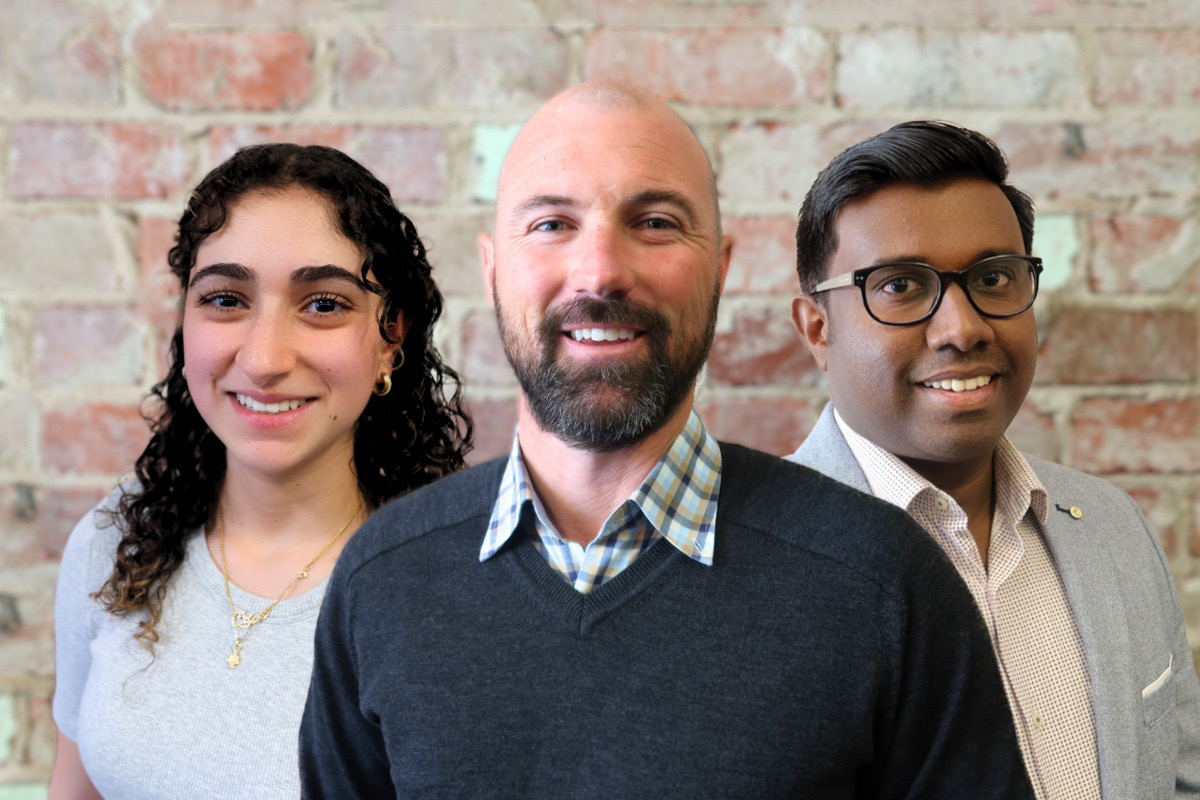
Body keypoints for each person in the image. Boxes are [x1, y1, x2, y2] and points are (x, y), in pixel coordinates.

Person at [299, 81, 1034, 799]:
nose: (600, 272)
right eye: (552, 224)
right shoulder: (382, 579)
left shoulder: (884, 577)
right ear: (494, 270)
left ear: (719, 270)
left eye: (654, 222)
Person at [787, 120, 1200, 800]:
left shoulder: (1111, 526)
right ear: (817, 328)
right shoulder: (751, 568)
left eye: (995, 277)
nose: (963, 327)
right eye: (900, 287)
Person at [49, 143, 471, 799]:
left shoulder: (459, 597)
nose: (265, 357)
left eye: (324, 304)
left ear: (391, 338)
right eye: (226, 299)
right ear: (185, 321)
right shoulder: (113, 544)